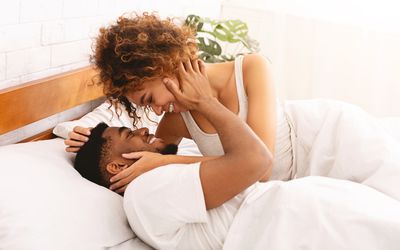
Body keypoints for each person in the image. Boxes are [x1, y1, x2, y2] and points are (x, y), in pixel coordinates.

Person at [65, 12, 293, 193]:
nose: (156, 110)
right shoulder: (176, 119)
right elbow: (147, 157)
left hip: (319, 146)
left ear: (163, 65)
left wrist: (205, 102)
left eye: (150, 99)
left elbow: (262, 170)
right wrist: (90, 140)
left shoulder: (252, 68)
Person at [74, 64, 273, 249]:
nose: (144, 128)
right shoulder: (147, 190)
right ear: (116, 167)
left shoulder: (155, 177)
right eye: (129, 134)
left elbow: (252, 164)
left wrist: (163, 160)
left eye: (150, 99)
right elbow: (254, 163)